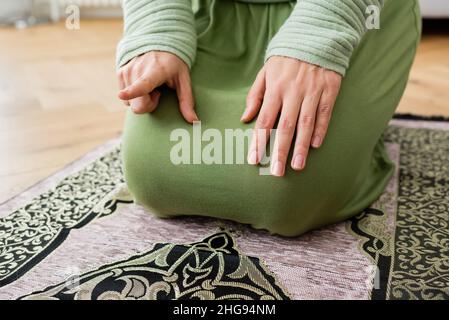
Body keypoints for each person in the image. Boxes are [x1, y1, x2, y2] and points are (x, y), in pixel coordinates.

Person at [115, 0, 421, 236]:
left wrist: (319, 35)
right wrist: (157, 29)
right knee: (153, 175)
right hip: (216, 10)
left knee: (283, 189)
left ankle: (363, 133)